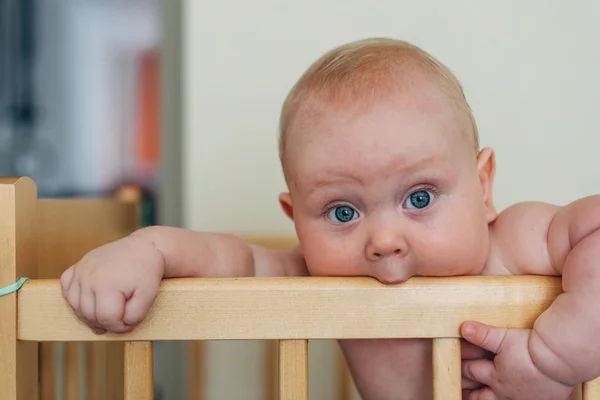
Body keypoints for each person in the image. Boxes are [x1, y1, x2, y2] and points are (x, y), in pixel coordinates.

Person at [60, 37, 600, 400]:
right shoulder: (312, 276)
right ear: (297, 220)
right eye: (343, 211)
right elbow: (231, 262)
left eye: (419, 198)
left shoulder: (510, 243)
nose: (385, 240)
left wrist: (557, 357)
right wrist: (149, 248)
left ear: (483, 187)